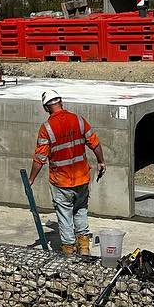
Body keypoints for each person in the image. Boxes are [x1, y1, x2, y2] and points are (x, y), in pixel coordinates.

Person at [29, 90, 106, 256]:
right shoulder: (78, 120)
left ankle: (69, 251)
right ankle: (84, 248)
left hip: (61, 181)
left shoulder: (47, 128)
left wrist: (31, 179)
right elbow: (95, 143)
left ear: (46, 108)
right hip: (82, 178)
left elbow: (40, 158)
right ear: (61, 101)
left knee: (64, 215)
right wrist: (101, 161)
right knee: (81, 210)